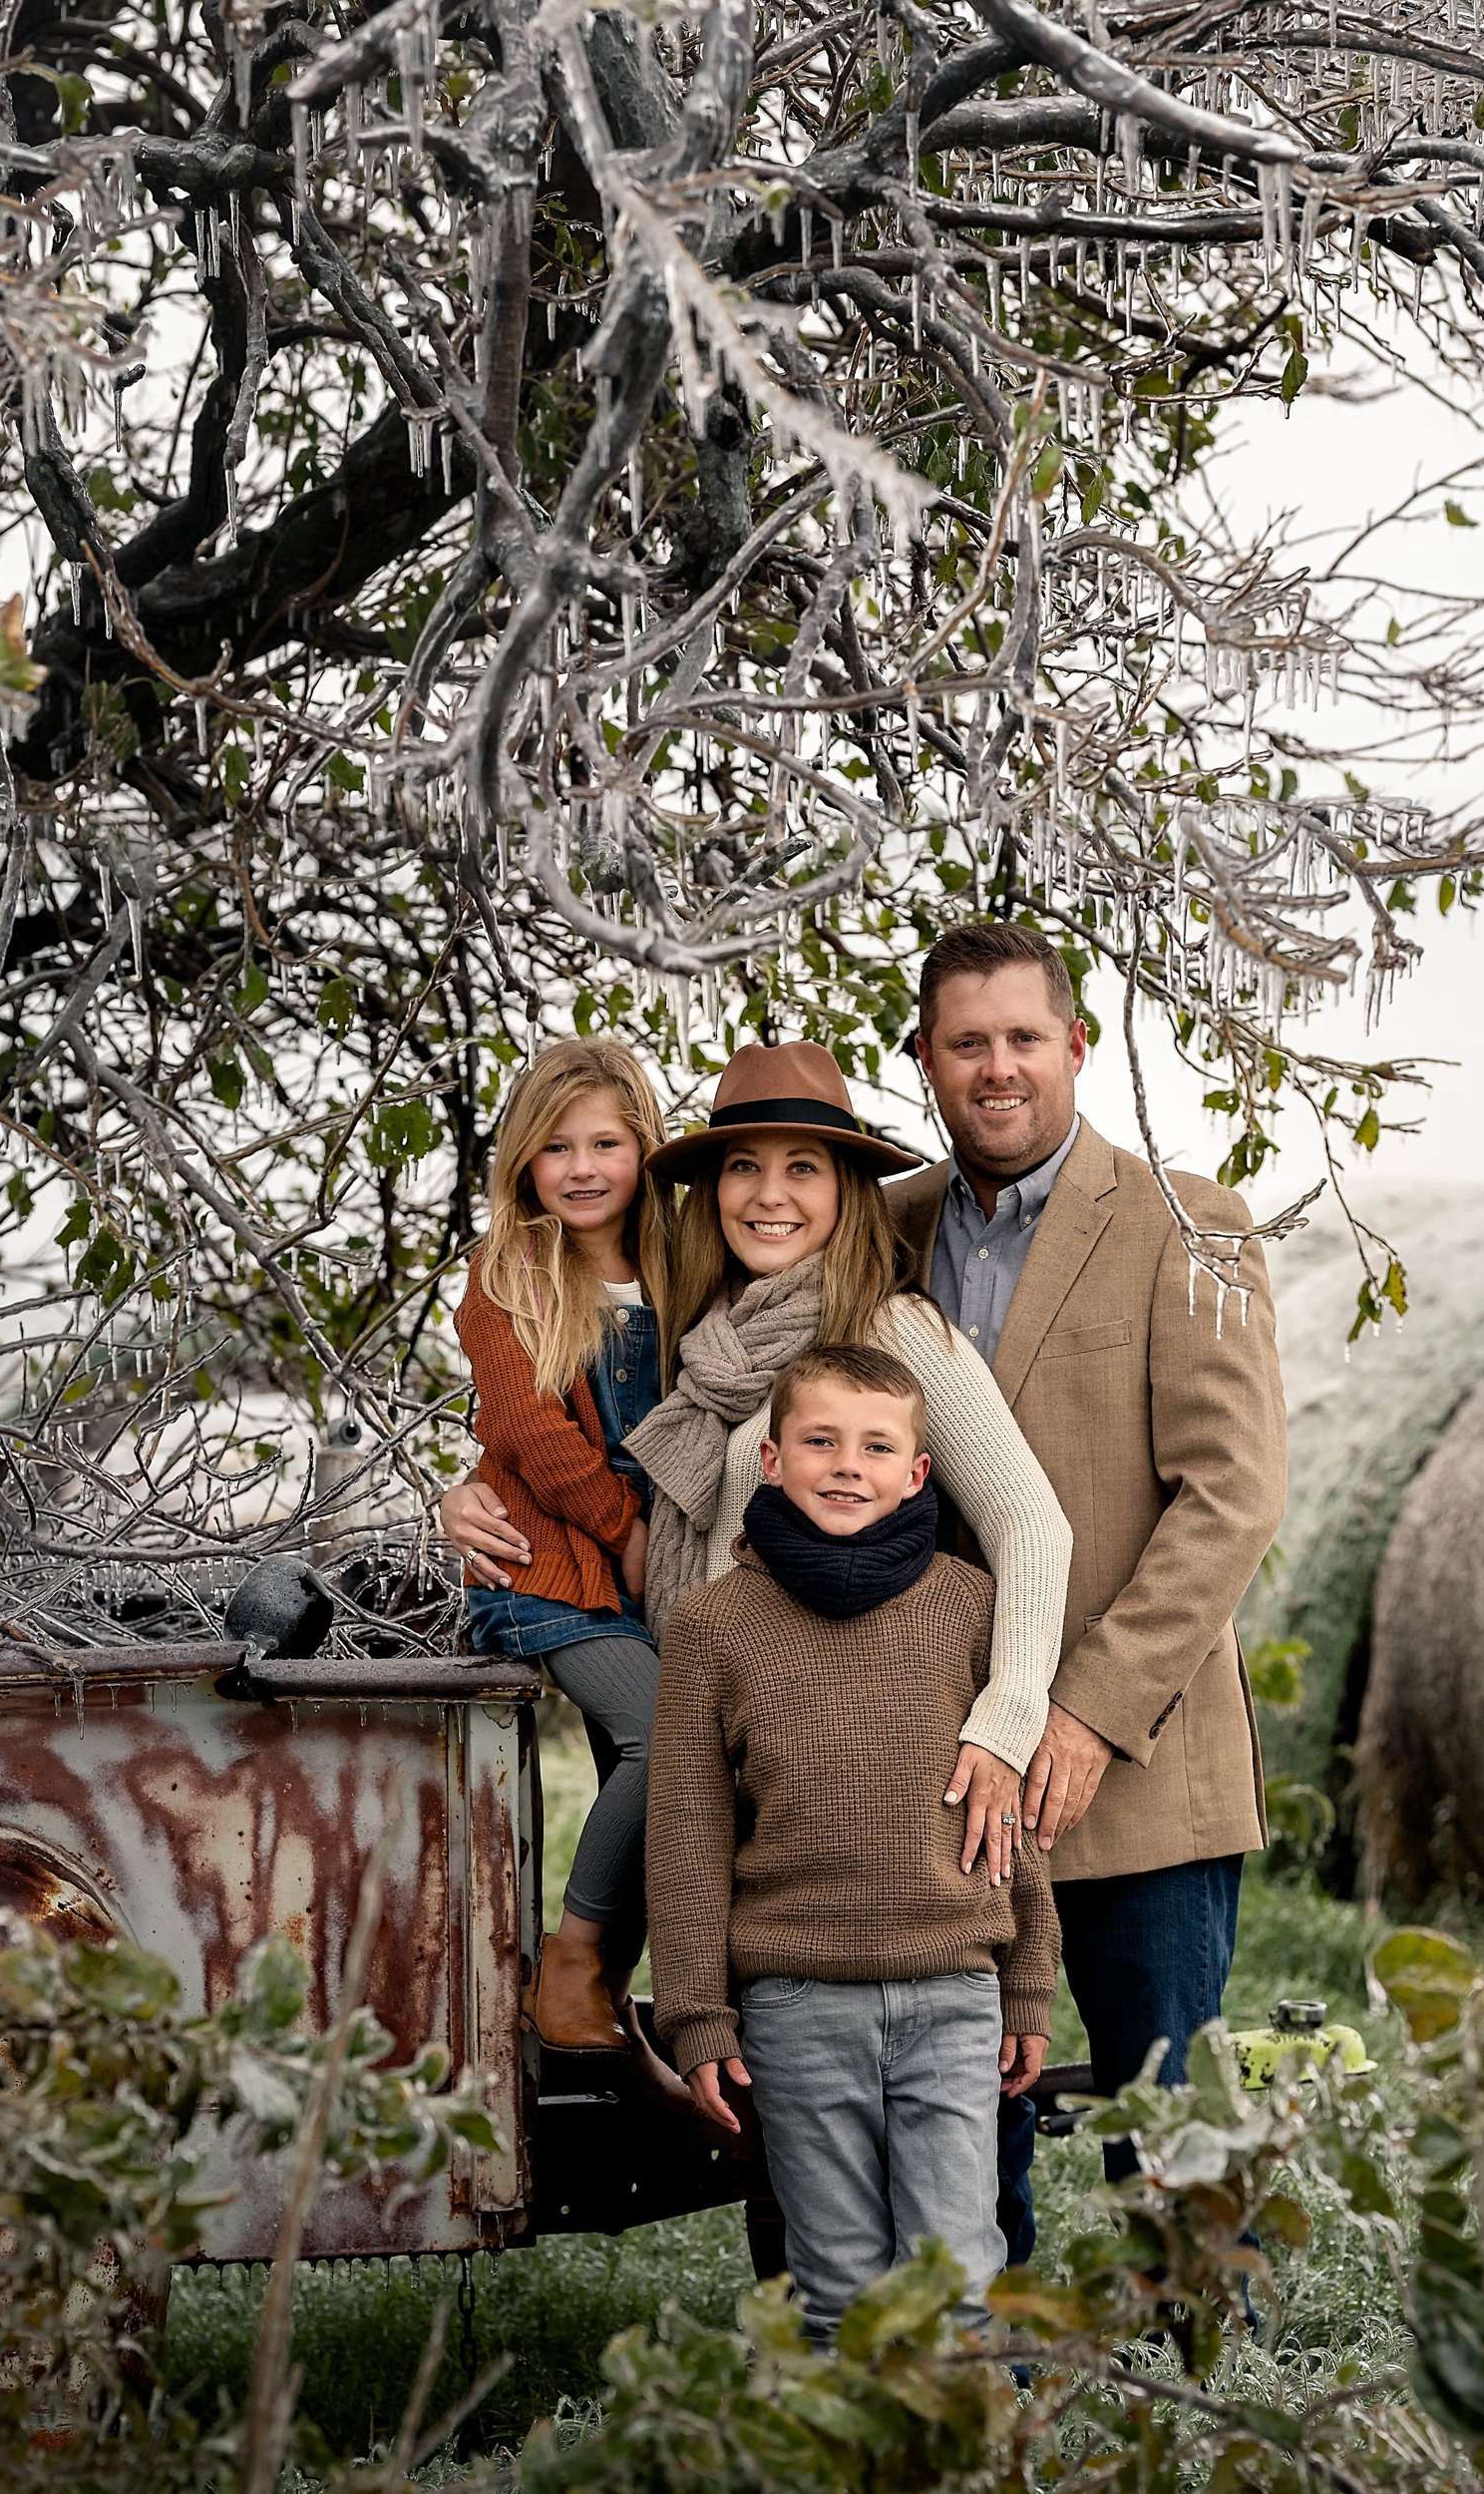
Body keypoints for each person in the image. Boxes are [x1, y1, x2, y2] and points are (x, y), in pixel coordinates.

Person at [891, 921, 1287, 2267]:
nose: (996, 1069)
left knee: (1165, 2137)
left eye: (1020, 1039)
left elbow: (1232, 1497)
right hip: (948, 1777)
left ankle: (1194, 2412)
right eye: (965, 1044)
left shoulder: (1195, 1220)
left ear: (1074, 1045)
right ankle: (981, 2411)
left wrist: (1088, 1714)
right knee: (955, 2133)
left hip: (1135, 1775)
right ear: (928, 1062)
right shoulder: (878, 1232)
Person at [446, 1038, 1072, 1884]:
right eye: (743, 1166)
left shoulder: (887, 1331)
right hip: (718, 1759)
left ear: (844, 1190)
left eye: (803, 1169)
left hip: (841, 1775)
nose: (769, 1195)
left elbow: (1027, 1520)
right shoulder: (702, 1334)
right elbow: (552, 1427)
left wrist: (1006, 1718)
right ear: (711, 1191)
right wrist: (467, 1495)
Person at [647, 1344, 1057, 2337]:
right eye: (820, 1440)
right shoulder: (713, 1626)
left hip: (951, 1995)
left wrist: (1029, 1982)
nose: (847, 1464)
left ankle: (960, 2458)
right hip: (796, 2005)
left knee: (955, 2270)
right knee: (832, 2283)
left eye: (877, 1446)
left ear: (919, 1472)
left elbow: (1009, 1811)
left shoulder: (969, 1603)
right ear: (772, 1460)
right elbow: (687, 1834)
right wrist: (697, 2014)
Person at [451, 1038, 679, 2077]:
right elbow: (531, 1431)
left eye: (604, 1142)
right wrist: (625, 1533)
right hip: (544, 1569)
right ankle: (571, 1959)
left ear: (643, 1146)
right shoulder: (507, 1275)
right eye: (554, 1147)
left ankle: (618, 1987)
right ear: (524, 1163)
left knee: (639, 1770)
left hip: (654, 1569)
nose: (580, 1167)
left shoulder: (684, 1262)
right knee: (662, 1735)